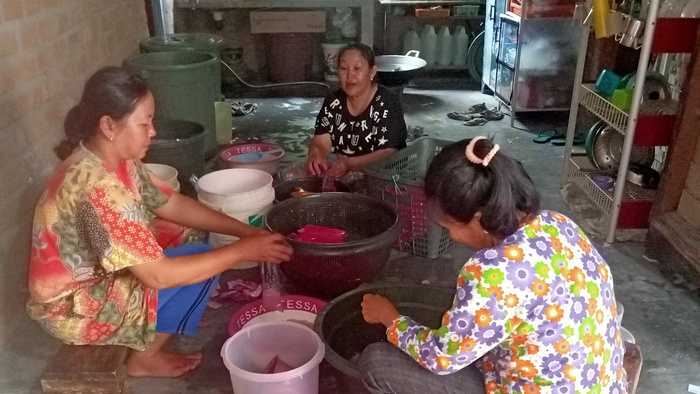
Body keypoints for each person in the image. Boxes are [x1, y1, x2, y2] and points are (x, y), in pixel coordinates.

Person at [26, 67, 293, 378]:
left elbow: (170, 202)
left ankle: (148, 338)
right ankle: (145, 358)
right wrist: (241, 252)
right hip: (73, 309)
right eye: (144, 123)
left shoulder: (113, 158)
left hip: (93, 277)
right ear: (109, 126)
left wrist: (245, 232)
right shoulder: (98, 189)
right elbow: (158, 277)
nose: (152, 131)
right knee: (201, 266)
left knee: (190, 234)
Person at [359, 137, 628, 394]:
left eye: (448, 227)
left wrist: (390, 318)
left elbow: (441, 359)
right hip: (599, 384)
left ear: (477, 218)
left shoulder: (491, 273)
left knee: (376, 361)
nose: (450, 236)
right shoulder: (557, 223)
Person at [306, 43, 408, 178]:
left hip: (386, 178)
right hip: (346, 175)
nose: (349, 76)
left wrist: (349, 164)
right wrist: (316, 154)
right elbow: (321, 140)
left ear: (372, 72)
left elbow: (389, 152)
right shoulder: (333, 101)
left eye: (357, 68)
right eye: (343, 68)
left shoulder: (387, 103)